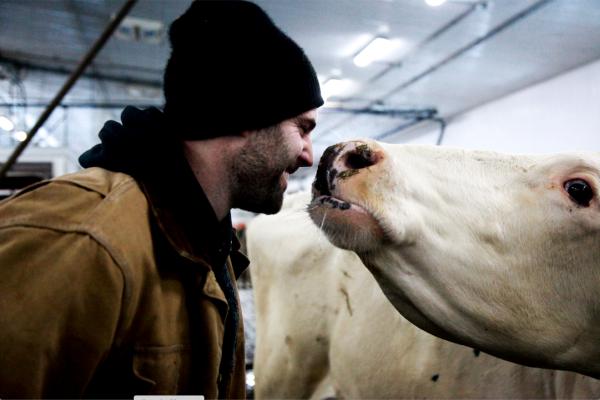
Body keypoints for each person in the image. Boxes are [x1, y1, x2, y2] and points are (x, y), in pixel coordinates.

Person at [0, 1, 322, 398]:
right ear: (245, 113)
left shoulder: (203, 246)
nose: (308, 154)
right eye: (302, 128)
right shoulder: (84, 240)